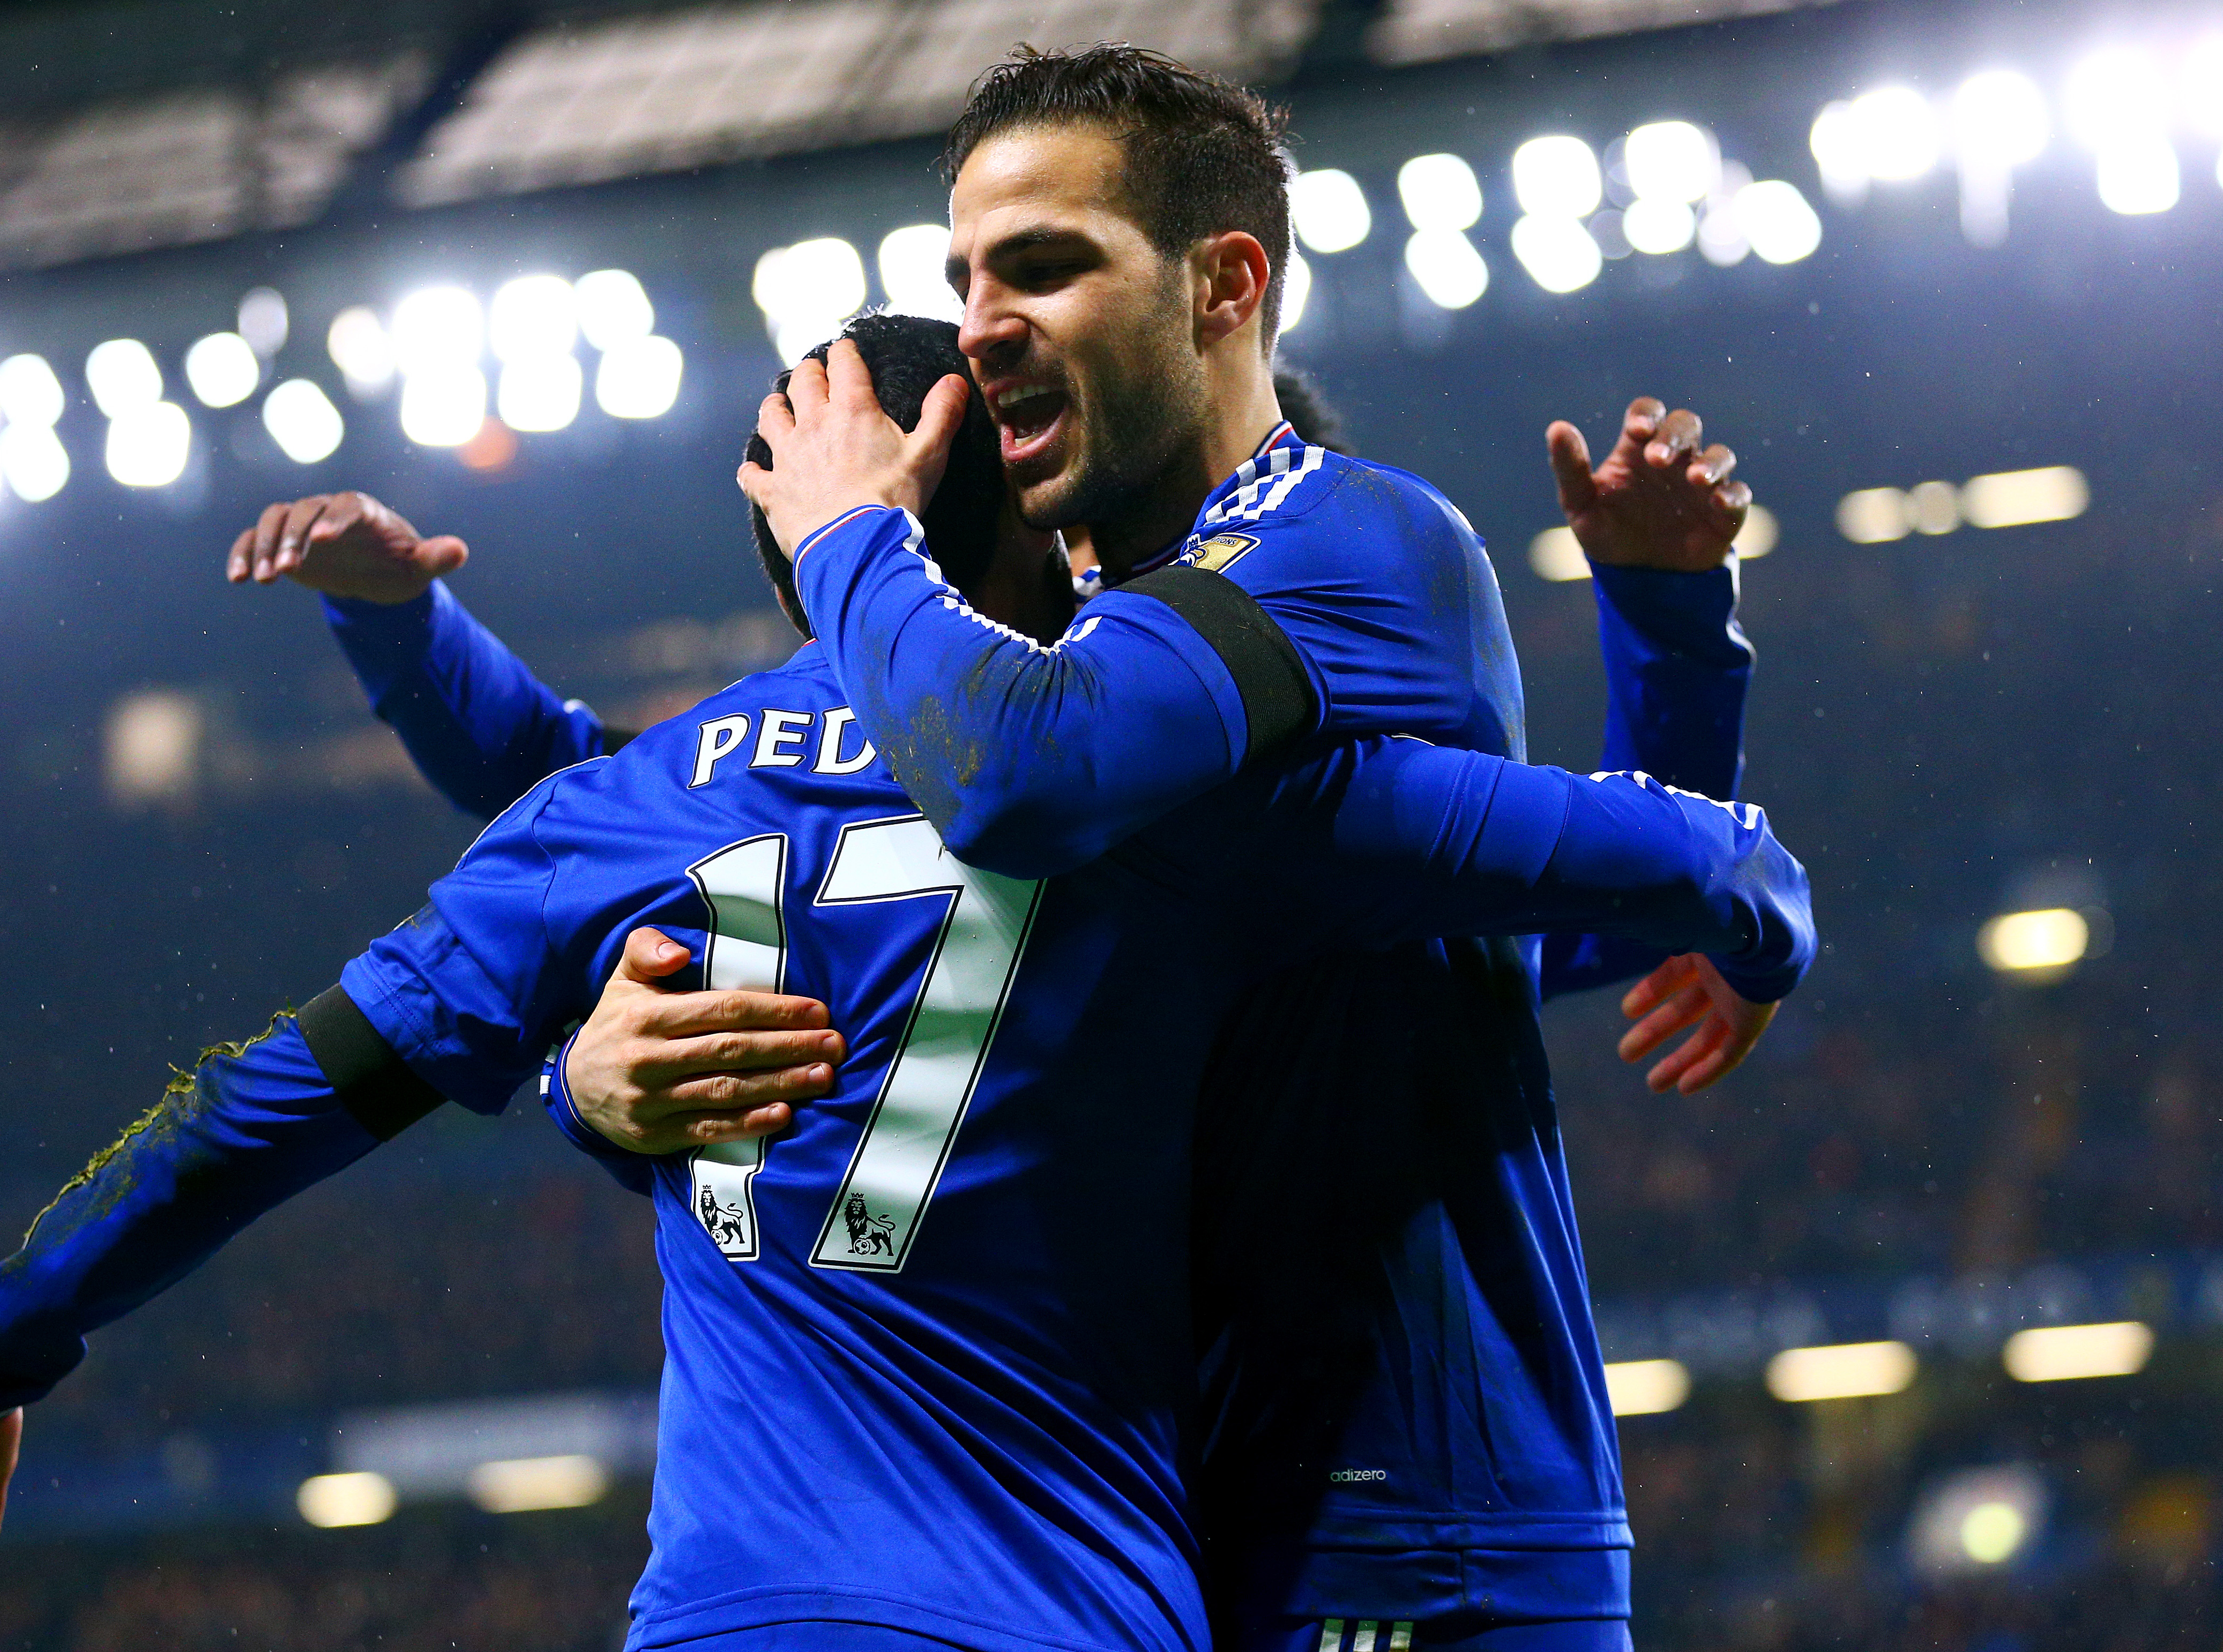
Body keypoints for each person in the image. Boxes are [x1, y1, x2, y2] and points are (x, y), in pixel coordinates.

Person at [0, 317, 1812, 1652]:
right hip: (1091, 1605)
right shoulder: (1178, 803)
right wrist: (1710, 778)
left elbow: (255, 1105)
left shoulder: (632, 812)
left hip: (738, 1614)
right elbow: (1620, 874)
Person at [727, 46, 1777, 1652]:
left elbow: (1029, 780)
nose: (982, 320)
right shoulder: (1086, 640)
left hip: (1410, 1538)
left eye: (1048, 265)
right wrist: (594, 1061)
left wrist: (850, 539)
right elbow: (1466, 927)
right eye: (964, 276)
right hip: (1164, 1538)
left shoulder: (1349, 540)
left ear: (1225, 286)